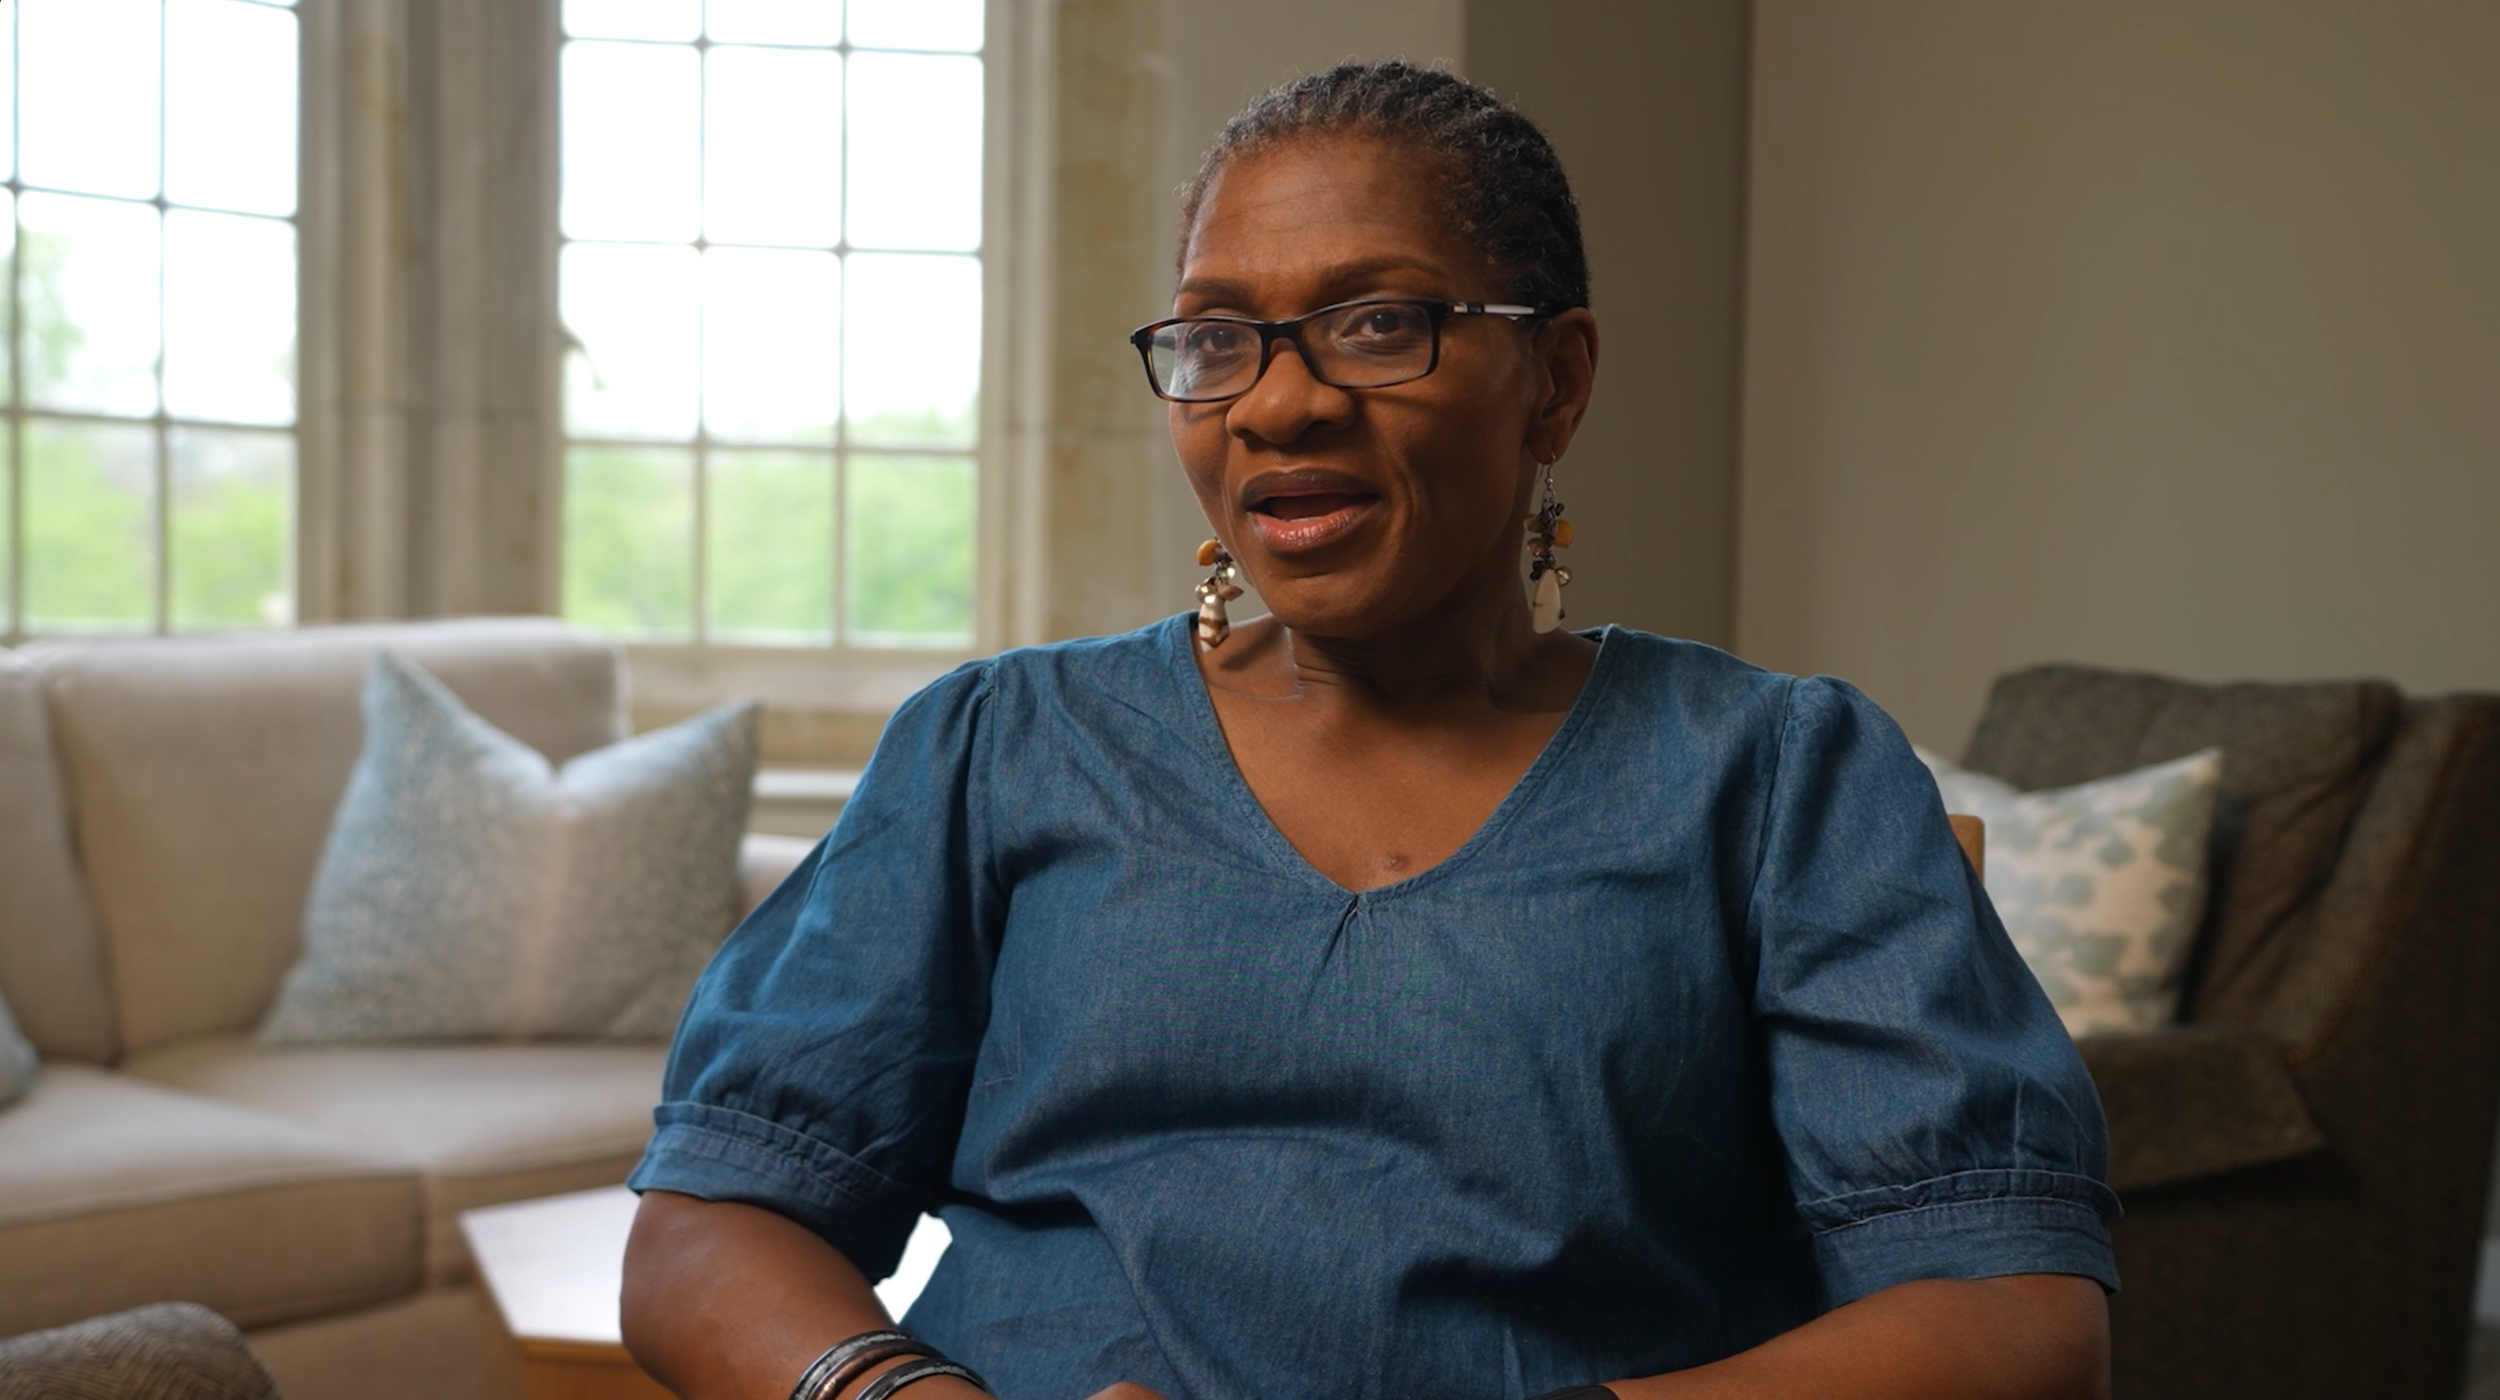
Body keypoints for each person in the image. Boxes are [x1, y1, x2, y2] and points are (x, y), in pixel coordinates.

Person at [619, 61, 2118, 1400]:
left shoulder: (1780, 778)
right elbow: (712, 1226)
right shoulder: (1001, 747)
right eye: (1217, 338)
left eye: (1378, 323)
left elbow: (2012, 1313)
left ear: (1556, 382)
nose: (1278, 406)